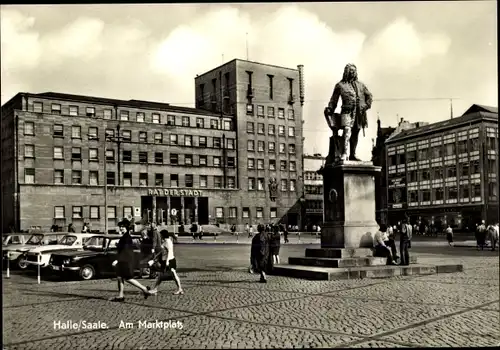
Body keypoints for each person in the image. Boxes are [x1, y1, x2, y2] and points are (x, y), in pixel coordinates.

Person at [324, 63, 373, 161]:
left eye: (355, 70)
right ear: (346, 71)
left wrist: (365, 106)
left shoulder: (361, 85)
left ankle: (352, 154)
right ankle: (344, 153)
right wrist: (330, 108)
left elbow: (369, 96)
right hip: (346, 111)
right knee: (347, 130)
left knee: (355, 133)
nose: (353, 72)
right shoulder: (340, 85)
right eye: (351, 70)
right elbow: (334, 100)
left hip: (359, 113)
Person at [110, 219, 152, 302]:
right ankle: (121, 295)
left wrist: (117, 260)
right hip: (124, 260)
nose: (121, 228)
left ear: (126, 228)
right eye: (120, 227)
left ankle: (144, 289)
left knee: (127, 278)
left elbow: (125, 250)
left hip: (125, 261)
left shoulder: (126, 237)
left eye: (123, 227)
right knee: (120, 277)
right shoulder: (125, 236)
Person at [148, 230, 183, 295]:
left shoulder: (168, 242)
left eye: (161, 235)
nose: (160, 236)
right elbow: (162, 251)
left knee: (174, 275)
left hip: (170, 261)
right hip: (166, 261)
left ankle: (179, 289)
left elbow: (169, 252)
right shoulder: (165, 242)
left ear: (163, 235)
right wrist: (154, 258)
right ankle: (155, 289)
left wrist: (167, 262)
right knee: (161, 276)